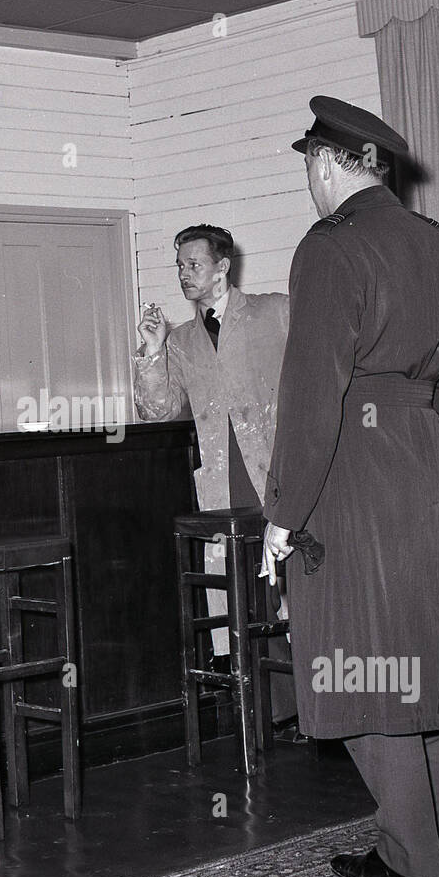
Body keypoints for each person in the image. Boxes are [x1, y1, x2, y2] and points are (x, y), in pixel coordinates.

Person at [262, 96, 439, 877]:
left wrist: (282, 515)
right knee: (423, 641)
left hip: (354, 463)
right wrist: (417, 421)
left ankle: (410, 849)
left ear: (325, 165)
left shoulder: (330, 247)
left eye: (308, 171)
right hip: (424, 458)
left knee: (359, 652)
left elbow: (312, 389)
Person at [134, 224, 296, 727]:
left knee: (288, 588)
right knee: (237, 591)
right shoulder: (180, 339)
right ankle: (261, 713)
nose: (184, 275)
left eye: (193, 264)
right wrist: (153, 351)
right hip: (222, 484)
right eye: (179, 266)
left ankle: (309, 710)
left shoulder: (275, 311)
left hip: (278, 473)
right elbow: (156, 411)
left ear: (223, 266)